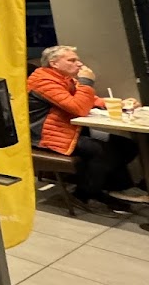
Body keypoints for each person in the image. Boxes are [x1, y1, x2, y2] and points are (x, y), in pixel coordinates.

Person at [27, 45, 141, 213]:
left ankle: (113, 189)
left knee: (126, 145)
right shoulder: (43, 81)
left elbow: (89, 99)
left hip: (69, 130)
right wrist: (86, 82)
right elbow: (78, 107)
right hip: (46, 136)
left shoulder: (64, 79)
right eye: (72, 60)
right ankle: (82, 195)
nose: (79, 64)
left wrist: (118, 104)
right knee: (102, 151)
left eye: (78, 60)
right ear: (54, 63)